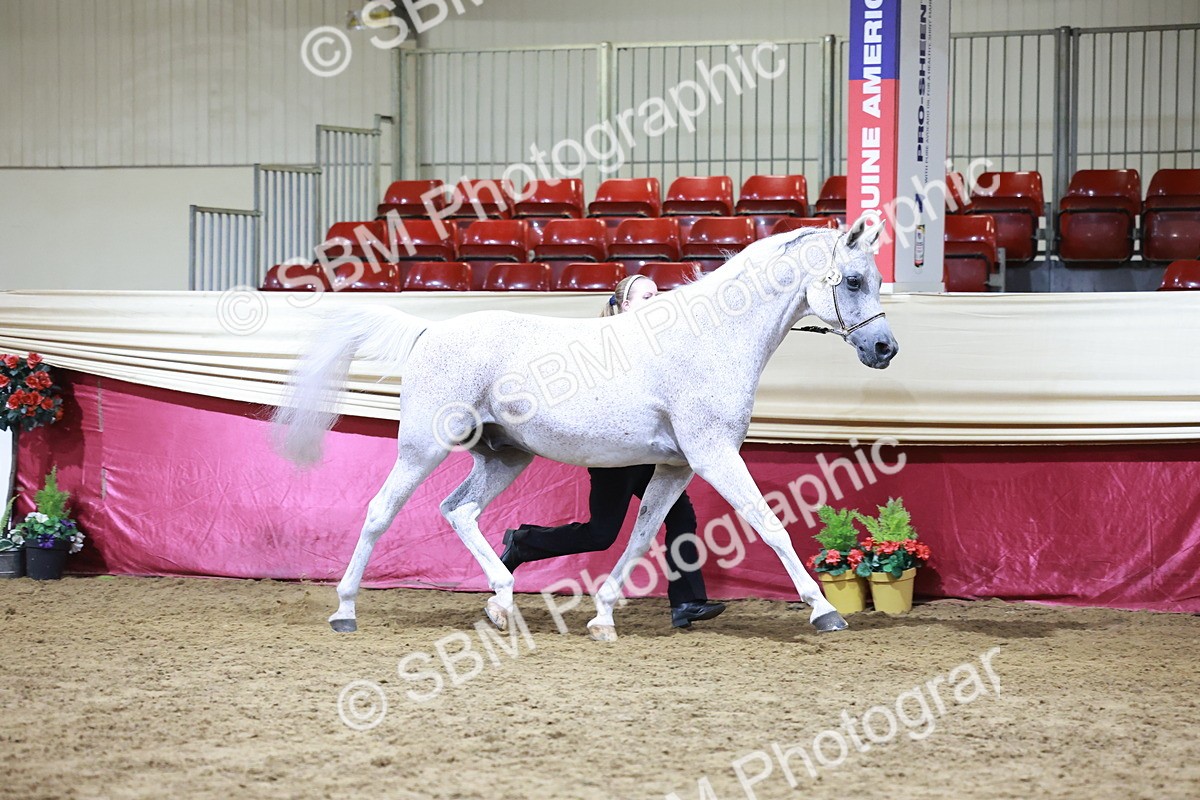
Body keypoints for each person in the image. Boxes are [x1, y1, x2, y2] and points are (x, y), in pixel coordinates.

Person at [500, 275, 727, 629]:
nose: (658, 301)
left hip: (652, 456)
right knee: (601, 534)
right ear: (624, 305)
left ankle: (687, 603)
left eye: (659, 294)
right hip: (616, 456)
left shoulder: (662, 345)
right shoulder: (607, 348)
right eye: (648, 296)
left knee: (681, 517)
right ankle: (523, 543)